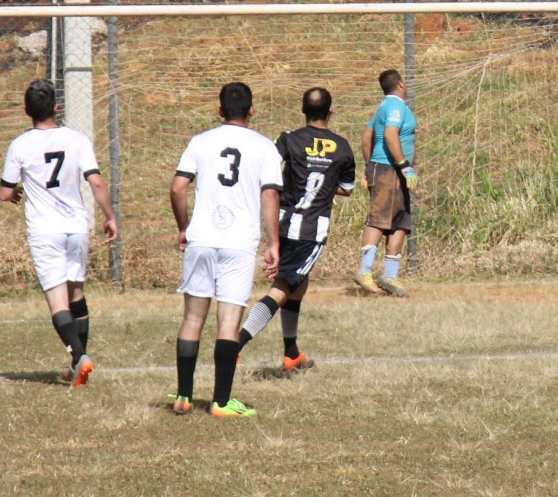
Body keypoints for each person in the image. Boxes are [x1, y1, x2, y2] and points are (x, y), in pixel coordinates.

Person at [169, 82, 283, 418]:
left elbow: (178, 188)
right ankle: (220, 402)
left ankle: (184, 396)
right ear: (252, 111)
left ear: (219, 110)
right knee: (229, 321)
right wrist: (274, 242)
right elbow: (270, 195)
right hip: (239, 242)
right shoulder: (264, 147)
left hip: (202, 238)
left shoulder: (200, 141)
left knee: (193, 318)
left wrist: (183, 226)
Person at [0, 79, 118, 387]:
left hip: (45, 230)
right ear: (56, 107)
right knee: (76, 295)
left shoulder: (20, 145)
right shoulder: (77, 138)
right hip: (76, 226)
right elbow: (96, 181)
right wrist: (110, 216)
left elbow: (4, 192)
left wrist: (16, 193)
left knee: (57, 301)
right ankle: (77, 364)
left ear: (27, 111)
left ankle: (80, 357)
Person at [237, 87, 355, 371]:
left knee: (298, 285)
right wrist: (325, 184)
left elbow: (268, 170)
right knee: (283, 288)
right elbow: (346, 188)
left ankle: (291, 353)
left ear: (303, 109)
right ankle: (234, 345)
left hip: (283, 223)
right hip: (310, 231)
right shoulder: (342, 147)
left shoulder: (288, 139)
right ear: (331, 110)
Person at [354, 69, 417, 297]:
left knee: (401, 222)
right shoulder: (395, 107)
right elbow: (390, 135)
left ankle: (390, 276)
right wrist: (404, 165)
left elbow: (366, 136)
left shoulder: (384, 106)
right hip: (390, 170)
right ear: (400, 84)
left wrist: (368, 166)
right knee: (380, 219)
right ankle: (364, 271)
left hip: (392, 172)